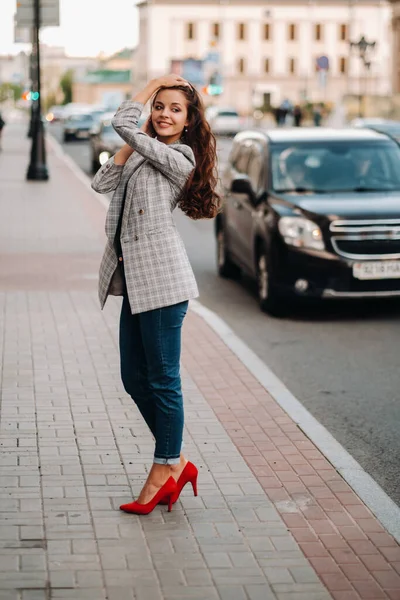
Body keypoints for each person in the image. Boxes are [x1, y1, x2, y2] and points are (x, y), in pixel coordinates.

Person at [91, 74, 220, 515]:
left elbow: (120, 123)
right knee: (133, 378)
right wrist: (135, 141)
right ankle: (177, 461)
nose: (164, 113)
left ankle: (164, 466)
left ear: (188, 122)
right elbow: (101, 183)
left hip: (163, 283)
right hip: (136, 284)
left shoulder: (180, 156)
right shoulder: (147, 152)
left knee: (164, 380)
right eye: (159, 105)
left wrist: (146, 89)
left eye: (174, 109)